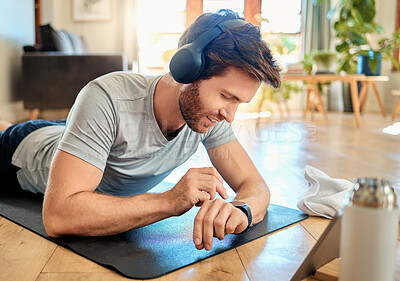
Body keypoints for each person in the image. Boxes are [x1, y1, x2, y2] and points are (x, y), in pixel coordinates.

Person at [0, 9, 280, 251]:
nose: (230, 116)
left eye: (239, 103)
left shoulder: (206, 117)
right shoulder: (106, 97)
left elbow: (255, 186)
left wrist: (240, 210)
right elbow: (59, 216)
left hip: (69, 134)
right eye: (226, 97)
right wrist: (170, 201)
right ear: (188, 70)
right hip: (23, 150)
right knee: (12, 132)